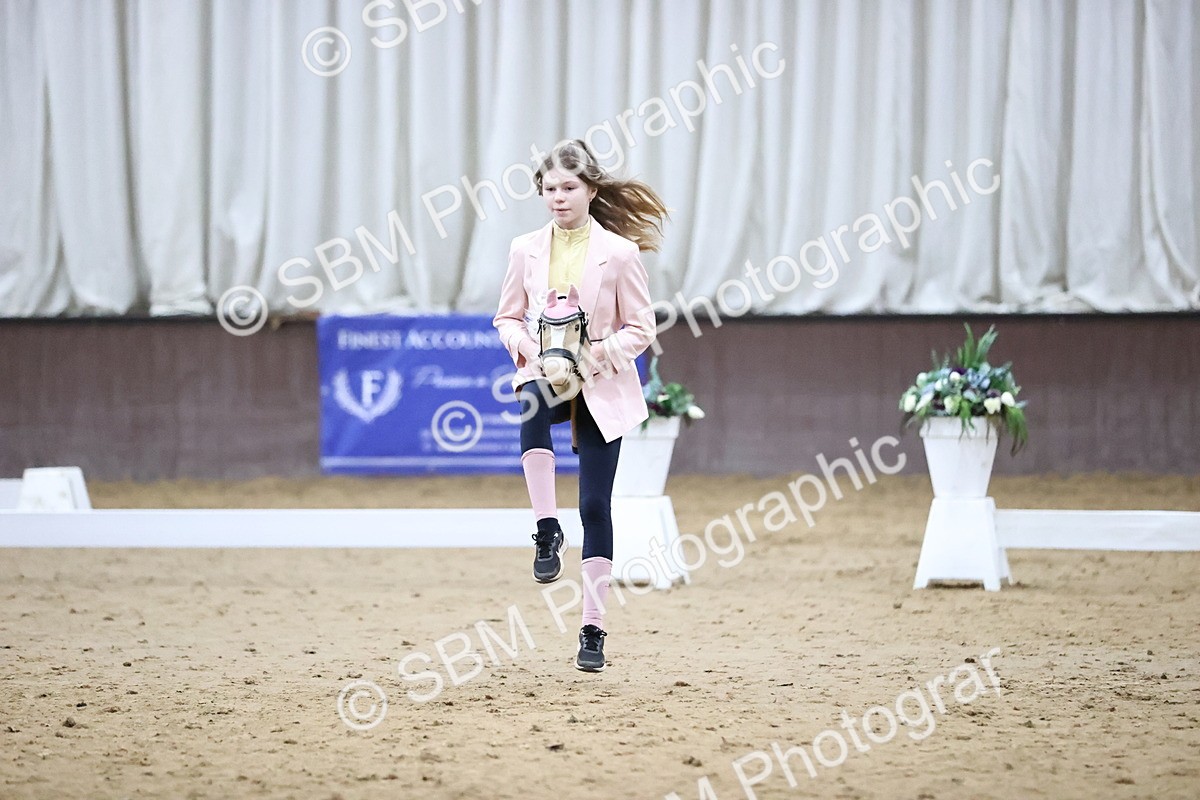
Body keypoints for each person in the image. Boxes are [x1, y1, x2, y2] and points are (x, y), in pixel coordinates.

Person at [493, 139, 667, 672]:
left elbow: (642, 327)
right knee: (528, 405)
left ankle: (593, 627)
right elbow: (507, 318)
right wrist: (534, 354)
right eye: (549, 189)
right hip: (543, 373)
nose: (558, 198)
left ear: (591, 189)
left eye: (569, 188)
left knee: (596, 506)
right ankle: (546, 529)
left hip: (600, 382)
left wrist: (592, 359)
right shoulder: (524, 248)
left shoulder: (620, 253)